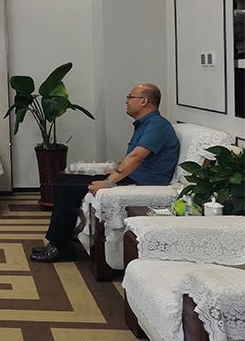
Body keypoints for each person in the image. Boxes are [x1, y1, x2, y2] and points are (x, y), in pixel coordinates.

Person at [31, 83, 179, 262]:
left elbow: (137, 156)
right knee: (62, 180)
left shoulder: (158, 126)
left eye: (130, 97)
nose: (126, 101)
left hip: (142, 182)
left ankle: (60, 247)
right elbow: (135, 157)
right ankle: (63, 239)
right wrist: (115, 169)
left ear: (144, 101)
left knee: (67, 188)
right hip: (132, 176)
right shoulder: (146, 124)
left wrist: (108, 182)